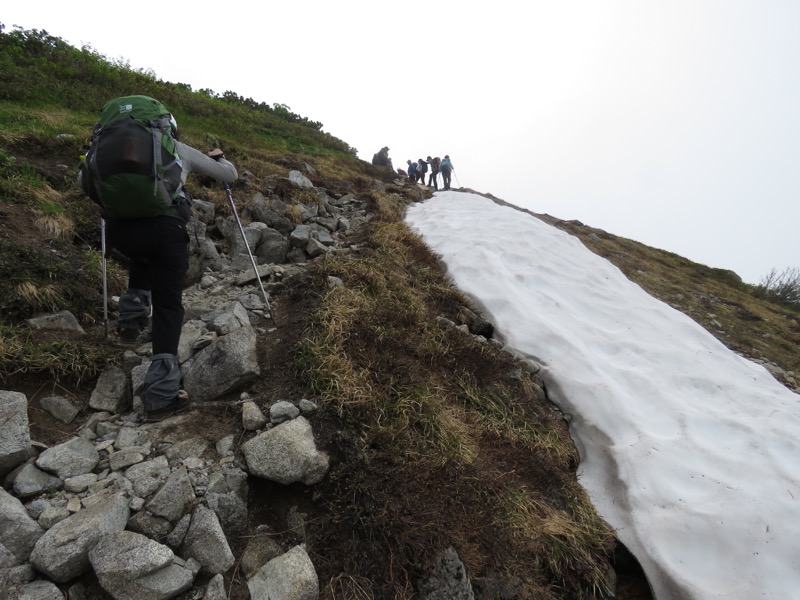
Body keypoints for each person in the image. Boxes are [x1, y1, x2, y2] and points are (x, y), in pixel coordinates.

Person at [81, 106, 238, 422]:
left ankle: (130, 322)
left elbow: (84, 181)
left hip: (120, 231)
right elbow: (229, 176)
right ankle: (162, 396)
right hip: (166, 230)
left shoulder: (102, 151)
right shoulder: (176, 149)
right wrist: (221, 159)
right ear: (168, 129)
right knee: (169, 305)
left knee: (141, 256)